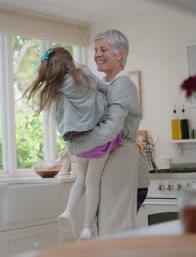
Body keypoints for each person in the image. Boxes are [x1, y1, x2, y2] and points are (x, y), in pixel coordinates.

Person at [24, 47, 123, 241]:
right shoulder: (84, 72)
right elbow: (103, 89)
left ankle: (68, 212)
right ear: (69, 62)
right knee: (93, 181)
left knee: (82, 178)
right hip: (96, 134)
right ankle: (86, 228)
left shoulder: (57, 86)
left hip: (77, 139)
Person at [67, 29, 144, 236]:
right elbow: (101, 88)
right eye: (95, 50)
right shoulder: (112, 85)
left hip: (122, 158)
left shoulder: (123, 85)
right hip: (113, 156)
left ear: (120, 54)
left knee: (114, 228)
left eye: (103, 49)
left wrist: (77, 145)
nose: (97, 54)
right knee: (108, 228)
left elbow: (111, 128)